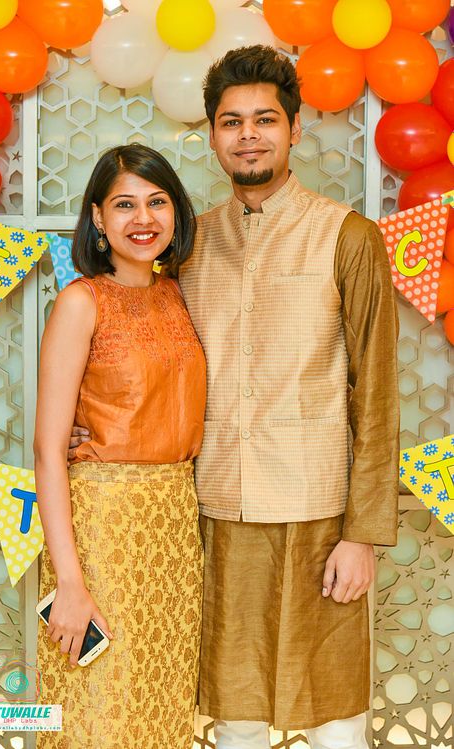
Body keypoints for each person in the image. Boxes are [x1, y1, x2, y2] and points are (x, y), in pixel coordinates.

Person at [70, 46, 399, 749]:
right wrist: (89, 426)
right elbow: (148, 359)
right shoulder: (186, 248)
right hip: (212, 512)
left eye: (265, 119)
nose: (249, 135)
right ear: (213, 136)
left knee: (336, 716)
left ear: (295, 129)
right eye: (231, 121)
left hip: (320, 514)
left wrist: (363, 534)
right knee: (234, 716)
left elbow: (375, 396)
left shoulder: (347, 236)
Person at [34, 144, 206, 749]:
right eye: (125, 204)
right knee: (100, 709)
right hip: (103, 529)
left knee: (161, 711)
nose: (143, 218)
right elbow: (48, 451)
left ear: (176, 212)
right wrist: (70, 582)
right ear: (97, 218)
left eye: (157, 202)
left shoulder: (180, 294)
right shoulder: (81, 302)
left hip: (176, 529)